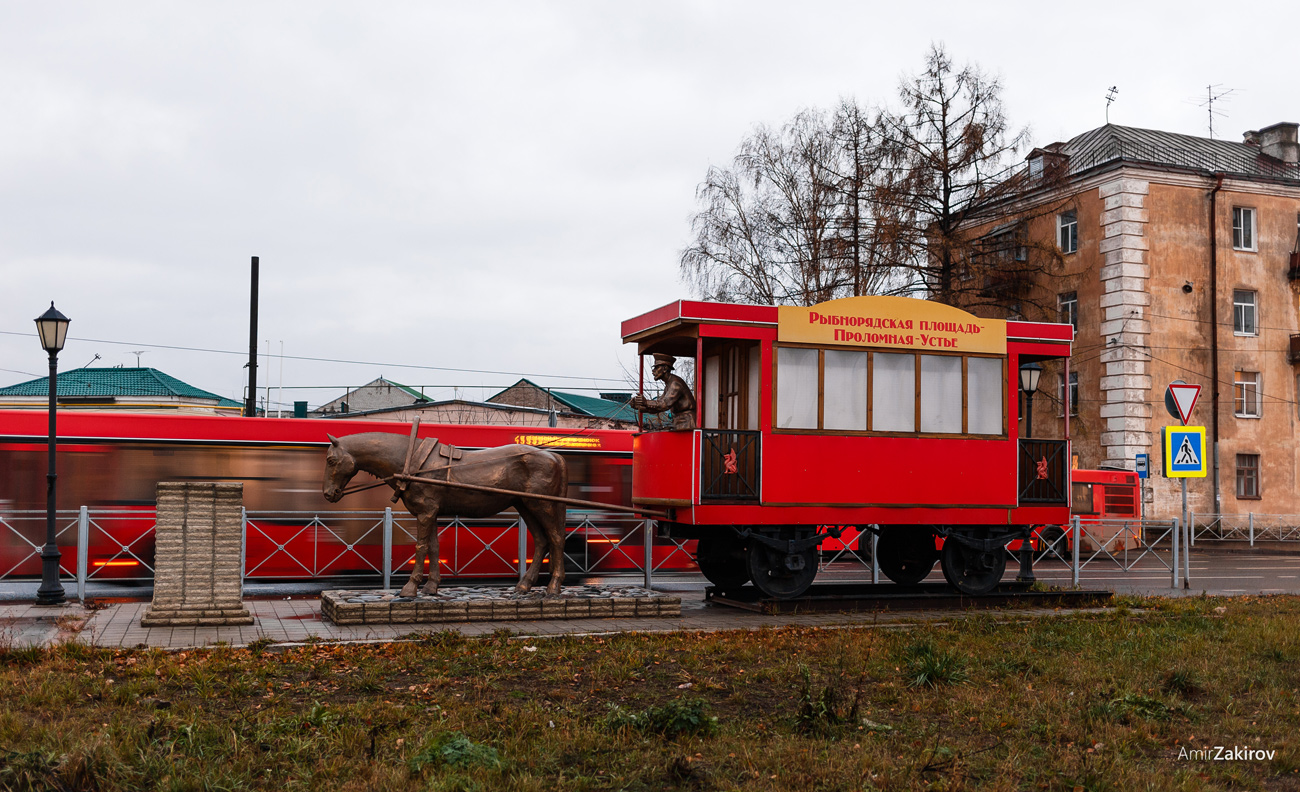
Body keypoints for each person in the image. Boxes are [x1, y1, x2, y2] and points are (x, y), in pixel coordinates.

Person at [630, 353, 697, 430]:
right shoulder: (669, 384)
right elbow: (658, 406)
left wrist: (645, 402)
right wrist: (639, 407)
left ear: (665, 369)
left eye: (656, 368)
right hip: (680, 421)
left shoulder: (675, 384)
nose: (653, 371)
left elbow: (664, 405)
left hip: (687, 422)